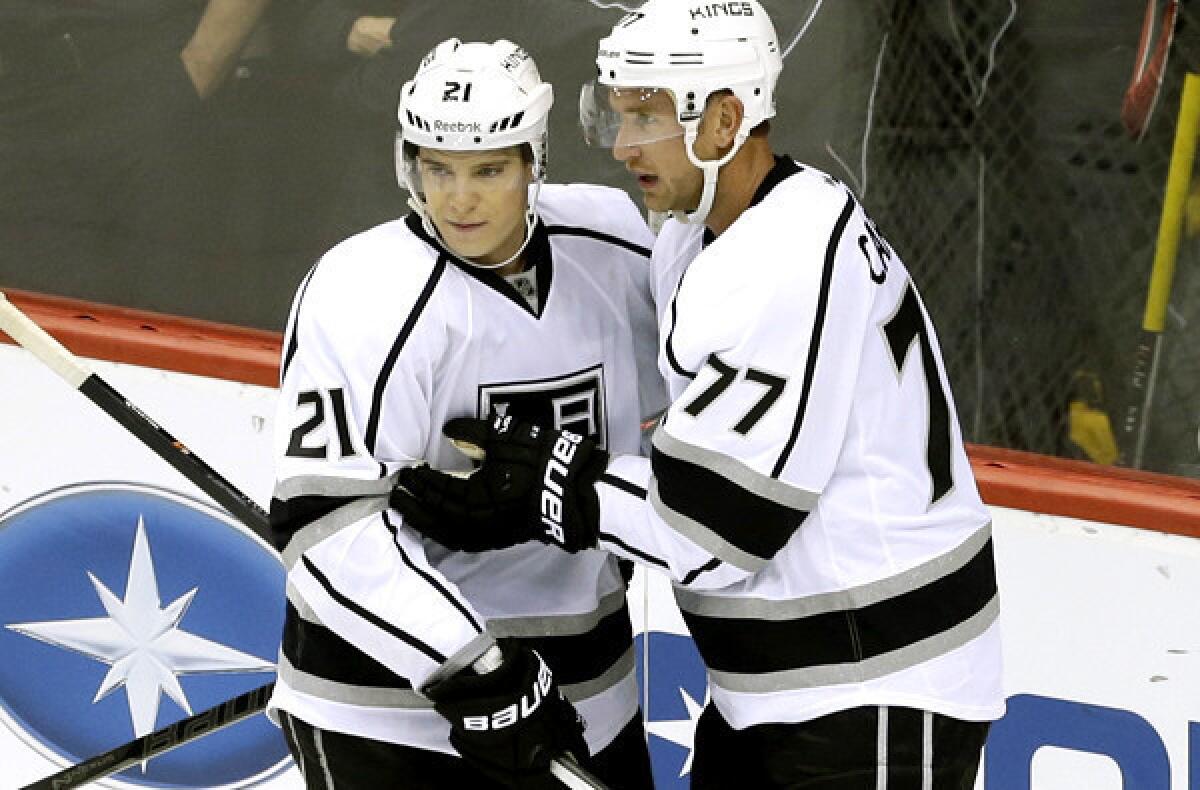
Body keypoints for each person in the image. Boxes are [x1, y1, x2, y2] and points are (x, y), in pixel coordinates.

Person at [390, 2, 1006, 788]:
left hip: (875, 687)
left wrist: (548, 484)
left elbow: (717, 530)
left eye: (645, 117)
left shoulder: (781, 264)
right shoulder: (700, 227)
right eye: (614, 115)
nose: (620, 146)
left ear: (724, 121)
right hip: (778, 687)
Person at [266, 37, 662, 790]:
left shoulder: (616, 243)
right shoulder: (361, 291)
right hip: (392, 718)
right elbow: (327, 528)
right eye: (435, 168)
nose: (458, 198)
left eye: (488, 169)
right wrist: (473, 667)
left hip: (587, 695)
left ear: (534, 161)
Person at [0, 0, 271, 318]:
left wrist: (196, 71)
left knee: (171, 312)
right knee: (29, 322)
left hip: (143, 71)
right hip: (17, 84)